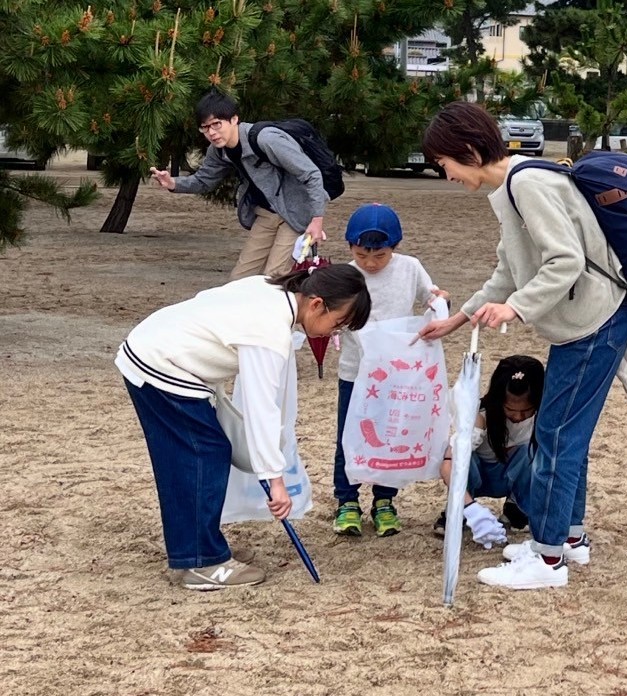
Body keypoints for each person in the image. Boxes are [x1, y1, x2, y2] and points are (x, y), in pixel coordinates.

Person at [417, 101, 627, 590]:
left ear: (469, 151)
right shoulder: (507, 189)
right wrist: (459, 318)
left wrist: (516, 309)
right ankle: (570, 540)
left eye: (444, 163)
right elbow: (507, 271)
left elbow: (564, 261)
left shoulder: (527, 184)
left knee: (556, 438)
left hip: (593, 323)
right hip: (581, 325)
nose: (444, 174)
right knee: (564, 437)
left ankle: (548, 557)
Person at [116, 265, 371, 590]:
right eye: (336, 325)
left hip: (160, 354)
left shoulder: (272, 289)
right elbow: (261, 409)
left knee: (204, 453)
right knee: (201, 455)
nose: (331, 335)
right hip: (161, 365)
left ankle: (199, 548)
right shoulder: (269, 331)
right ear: (317, 304)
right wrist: (274, 480)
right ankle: (203, 562)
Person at [332, 203, 448, 538]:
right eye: (361, 254)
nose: (369, 263)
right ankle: (347, 501)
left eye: (379, 256)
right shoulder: (347, 274)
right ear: (351, 248)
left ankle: (384, 501)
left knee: (390, 435)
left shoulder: (410, 268)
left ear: (393, 248)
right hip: (356, 372)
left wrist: (439, 301)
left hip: (396, 373)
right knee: (349, 436)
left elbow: (432, 296)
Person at [149, 91, 329, 280]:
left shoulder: (266, 139)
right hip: (267, 214)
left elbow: (311, 174)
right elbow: (204, 180)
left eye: (217, 124)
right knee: (239, 280)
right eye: (205, 128)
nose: (211, 132)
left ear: (234, 119)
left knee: (275, 278)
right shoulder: (218, 150)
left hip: (297, 212)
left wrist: (316, 220)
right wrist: (173, 183)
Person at [434, 356, 545, 548]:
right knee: (463, 457)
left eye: (526, 411)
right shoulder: (480, 416)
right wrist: (471, 508)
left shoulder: (543, 417)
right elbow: (448, 465)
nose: (518, 417)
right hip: (478, 476)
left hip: (512, 475)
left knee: (535, 453)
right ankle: (457, 510)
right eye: (510, 410)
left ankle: (516, 508)